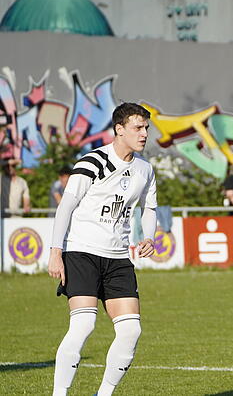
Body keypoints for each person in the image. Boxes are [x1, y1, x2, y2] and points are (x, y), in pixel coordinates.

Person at [47, 102, 158, 396]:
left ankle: (104, 394)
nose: (144, 133)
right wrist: (56, 252)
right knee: (83, 324)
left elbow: (150, 207)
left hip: (118, 258)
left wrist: (149, 237)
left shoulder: (145, 170)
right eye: (138, 127)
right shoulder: (92, 162)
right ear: (119, 130)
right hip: (81, 252)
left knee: (131, 331)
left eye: (146, 127)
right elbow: (66, 206)